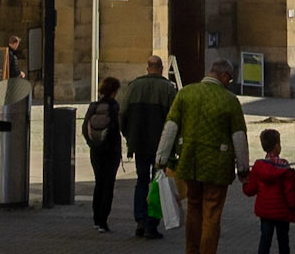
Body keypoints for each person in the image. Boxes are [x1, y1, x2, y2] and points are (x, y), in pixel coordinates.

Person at [155, 59, 249, 254]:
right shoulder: (230, 100)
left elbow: (170, 127)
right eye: (229, 79)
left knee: (194, 208)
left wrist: (161, 158)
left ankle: (191, 250)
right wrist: (243, 168)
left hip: (190, 162)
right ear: (222, 75)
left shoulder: (185, 94)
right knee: (212, 214)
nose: (228, 83)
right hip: (218, 167)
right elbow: (239, 137)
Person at [121, 56, 178, 239]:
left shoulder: (134, 86)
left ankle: (140, 220)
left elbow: (122, 114)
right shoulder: (168, 88)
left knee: (141, 181)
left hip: (139, 143)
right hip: (161, 145)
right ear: (161, 68)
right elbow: (175, 119)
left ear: (148, 68)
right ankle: (151, 224)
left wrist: (129, 137)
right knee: (158, 183)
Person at [242, 127, 295, 254]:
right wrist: (294, 207)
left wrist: (245, 184)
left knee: (265, 239)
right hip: (282, 212)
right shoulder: (285, 168)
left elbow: (251, 189)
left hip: (265, 211)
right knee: (283, 241)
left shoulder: (258, 167)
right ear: (276, 146)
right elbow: (291, 192)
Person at [85, 74, 125, 233]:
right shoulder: (114, 107)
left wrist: (93, 144)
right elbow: (116, 128)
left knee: (99, 183)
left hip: (96, 151)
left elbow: (84, 129)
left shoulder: (93, 106)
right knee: (108, 186)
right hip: (111, 152)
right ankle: (103, 220)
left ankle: (96, 219)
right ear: (115, 91)